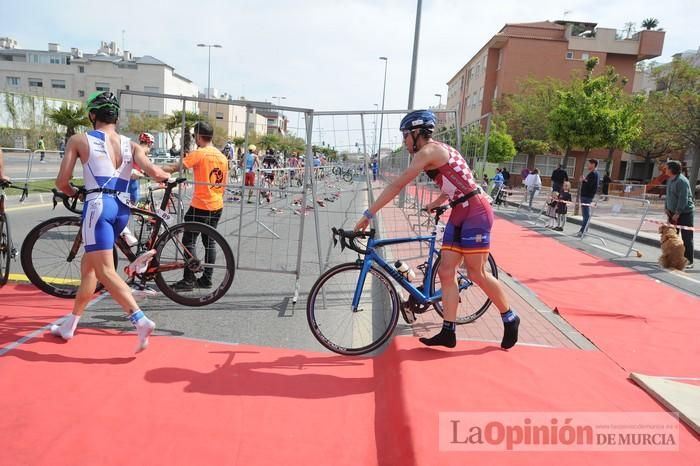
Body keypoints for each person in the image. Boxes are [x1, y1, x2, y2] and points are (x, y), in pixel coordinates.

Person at [354, 110, 519, 350]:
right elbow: (457, 183)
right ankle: (448, 331)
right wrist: (437, 202)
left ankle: (510, 317)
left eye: (405, 135)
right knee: (446, 271)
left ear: (417, 133)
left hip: (476, 212)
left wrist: (369, 214)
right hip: (460, 210)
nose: (404, 141)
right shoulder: (439, 151)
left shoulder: (428, 152)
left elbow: (398, 185)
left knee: (476, 273)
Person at [51, 91, 170, 351]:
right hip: (121, 208)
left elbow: (62, 182)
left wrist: (74, 192)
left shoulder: (79, 139)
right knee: (89, 269)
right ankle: (70, 323)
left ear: (93, 115)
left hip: (97, 206)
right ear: (116, 117)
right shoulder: (131, 144)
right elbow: (154, 171)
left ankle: (140, 320)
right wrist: (169, 176)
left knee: (104, 271)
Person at [162, 121, 229, 289]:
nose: (194, 139)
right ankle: (207, 278)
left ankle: (189, 278)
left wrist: (153, 169)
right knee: (210, 242)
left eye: (194, 136)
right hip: (216, 204)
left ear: (199, 136)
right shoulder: (222, 157)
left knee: (189, 240)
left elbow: (176, 167)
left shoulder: (200, 153)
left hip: (201, 204)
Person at [664, 160, 694, 269]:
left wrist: (678, 212)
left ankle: (689, 260)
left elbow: (683, 199)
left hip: (685, 213)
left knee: (687, 237)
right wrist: (666, 208)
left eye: (666, 168)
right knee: (672, 237)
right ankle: (671, 258)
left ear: (672, 169)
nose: (665, 170)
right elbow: (667, 195)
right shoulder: (670, 180)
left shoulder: (682, 181)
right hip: (671, 212)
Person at [576, 159, 599, 237]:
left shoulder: (594, 174)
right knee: (585, 214)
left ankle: (583, 231)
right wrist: (584, 180)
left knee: (586, 214)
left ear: (593, 165)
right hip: (585, 195)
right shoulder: (591, 174)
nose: (587, 165)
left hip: (587, 196)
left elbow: (590, 185)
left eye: (589, 164)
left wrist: (583, 180)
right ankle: (583, 230)